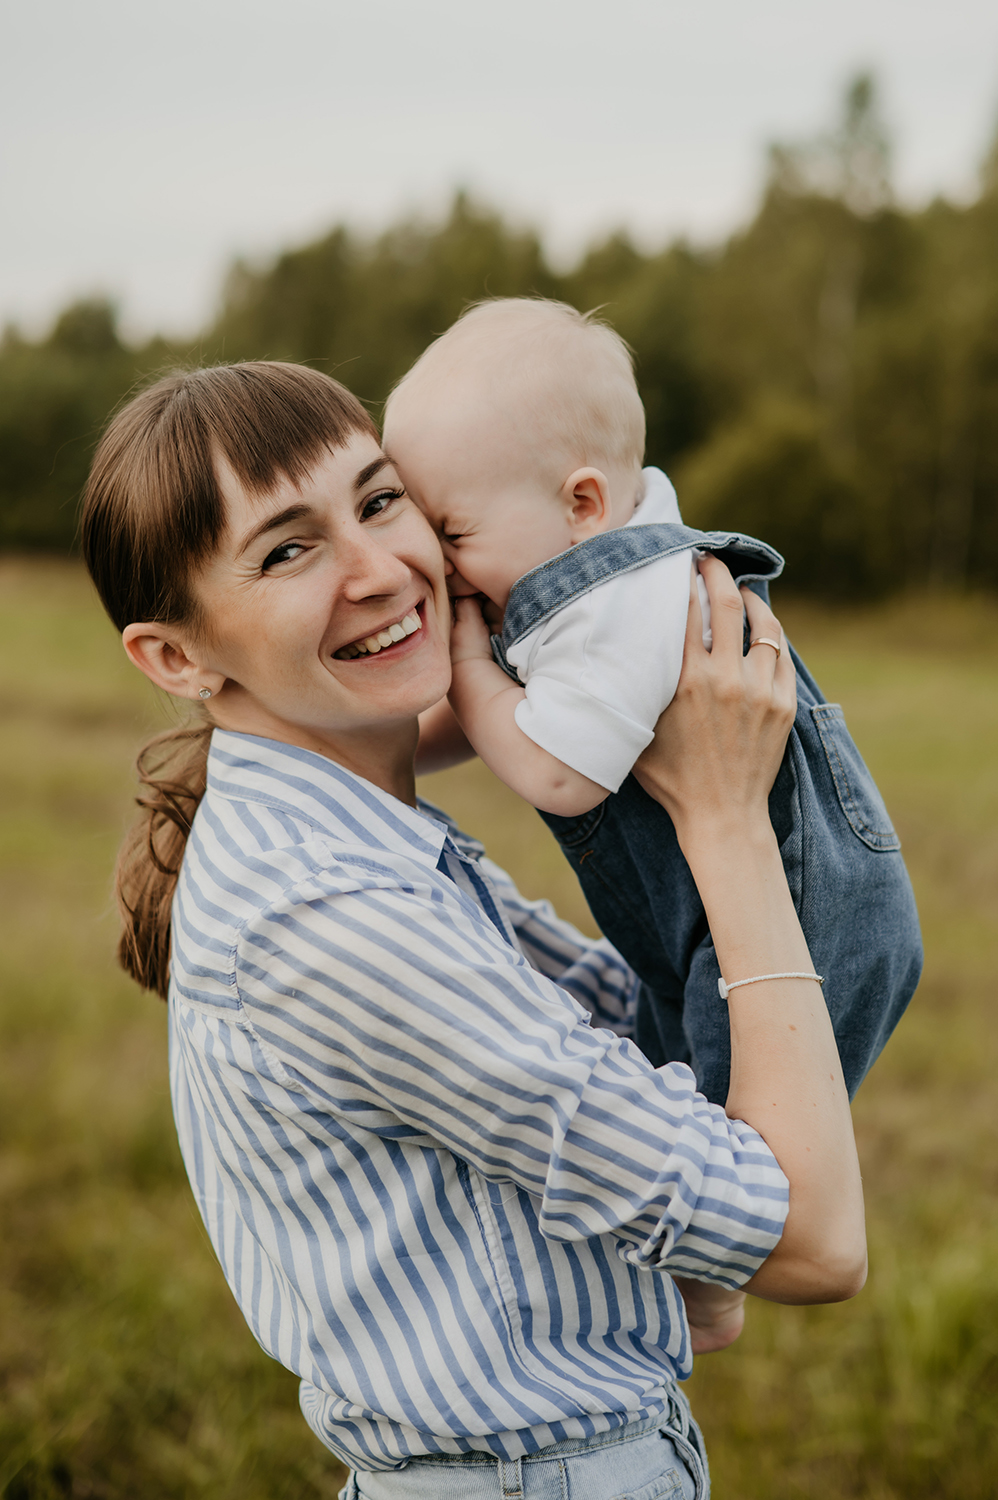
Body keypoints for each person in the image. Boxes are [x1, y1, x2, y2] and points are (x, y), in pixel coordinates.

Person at [81, 361, 866, 1500]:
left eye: (380, 499)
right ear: (175, 656)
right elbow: (812, 1242)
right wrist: (724, 814)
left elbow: (622, 1031)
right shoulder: (330, 917)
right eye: (288, 549)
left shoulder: (352, 835)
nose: (378, 568)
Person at [382, 298, 923, 1102]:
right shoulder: (585, 572)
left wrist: (464, 662)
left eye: (454, 535)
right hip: (705, 923)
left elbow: (558, 773)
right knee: (681, 1102)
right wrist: (369, 755)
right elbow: (507, 711)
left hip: (801, 924)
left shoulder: (615, 605)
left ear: (583, 504)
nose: (441, 569)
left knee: (739, 1156)